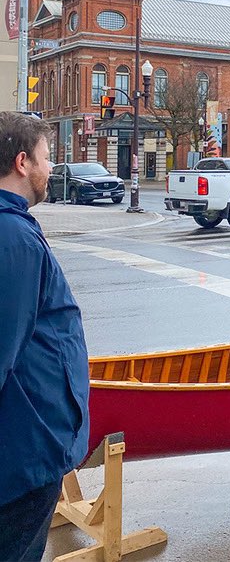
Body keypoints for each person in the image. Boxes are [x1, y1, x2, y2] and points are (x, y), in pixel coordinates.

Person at [0, 112, 90, 561]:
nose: (51, 168)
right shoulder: (12, 237)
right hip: (24, 455)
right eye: (47, 158)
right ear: (22, 163)